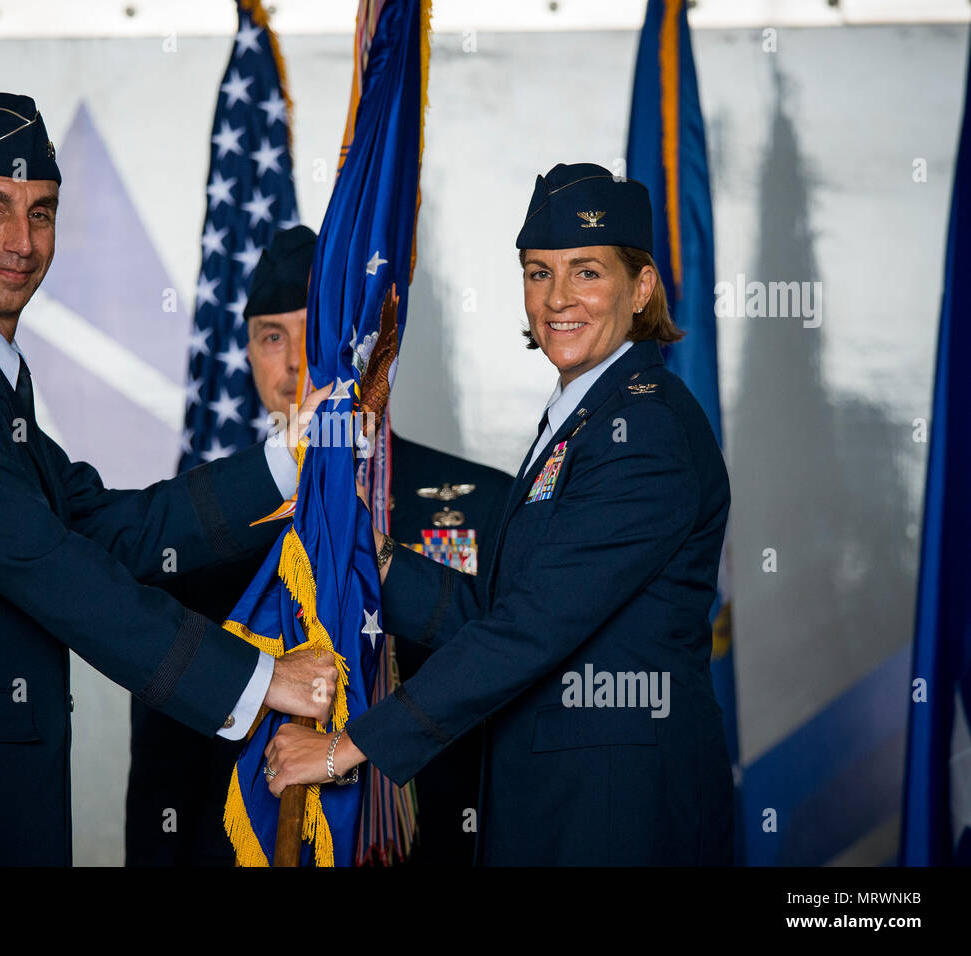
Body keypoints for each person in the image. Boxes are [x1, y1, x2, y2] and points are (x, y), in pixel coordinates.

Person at [0, 93, 335, 866]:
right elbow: (61, 573)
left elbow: (109, 531)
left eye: (42, 213)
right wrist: (261, 680)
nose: (20, 241)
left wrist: (285, 460)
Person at [264, 163, 735, 865]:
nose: (557, 298)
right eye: (539, 272)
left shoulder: (647, 431)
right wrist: (369, 552)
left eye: (587, 272)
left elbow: (530, 628)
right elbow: (500, 610)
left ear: (641, 289)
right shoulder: (586, 417)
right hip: (561, 803)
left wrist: (346, 748)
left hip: (616, 815)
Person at [126, 226, 509, 866]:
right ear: (246, 352)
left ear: (364, 347)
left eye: (319, 332)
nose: (298, 363)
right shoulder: (196, 530)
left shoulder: (481, 504)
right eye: (272, 337)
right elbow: (167, 758)